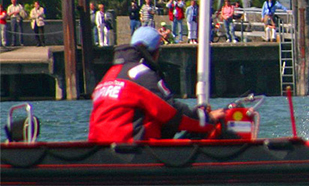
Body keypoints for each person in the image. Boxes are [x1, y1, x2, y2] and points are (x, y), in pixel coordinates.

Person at [88, 27, 225, 142]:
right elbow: (172, 112)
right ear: (156, 52)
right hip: (131, 150)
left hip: (100, 148)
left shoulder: (110, 74)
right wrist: (207, 118)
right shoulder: (142, 75)